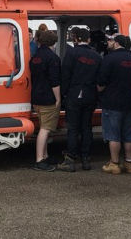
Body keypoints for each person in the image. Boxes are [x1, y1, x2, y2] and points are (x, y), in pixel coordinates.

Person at [58, 27, 102, 172]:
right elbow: (99, 78)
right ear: (88, 39)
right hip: (90, 95)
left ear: (76, 39)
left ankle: (70, 159)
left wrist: (64, 94)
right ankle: (86, 159)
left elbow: (65, 75)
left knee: (73, 128)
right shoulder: (96, 56)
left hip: (74, 94)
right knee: (86, 127)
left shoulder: (71, 53)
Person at [98, 34, 131, 174]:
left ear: (116, 43)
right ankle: (129, 163)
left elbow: (101, 81)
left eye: (110, 41)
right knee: (128, 134)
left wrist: (100, 90)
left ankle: (114, 163)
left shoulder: (109, 58)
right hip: (129, 102)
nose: (109, 43)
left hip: (112, 102)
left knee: (113, 134)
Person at [29, 29, 61, 171]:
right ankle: (40, 159)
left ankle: (45, 155)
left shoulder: (35, 56)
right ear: (53, 42)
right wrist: (58, 98)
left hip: (36, 97)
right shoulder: (52, 58)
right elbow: (54, 81)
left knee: (43, 126)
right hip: (48, 98)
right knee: (45, 129)